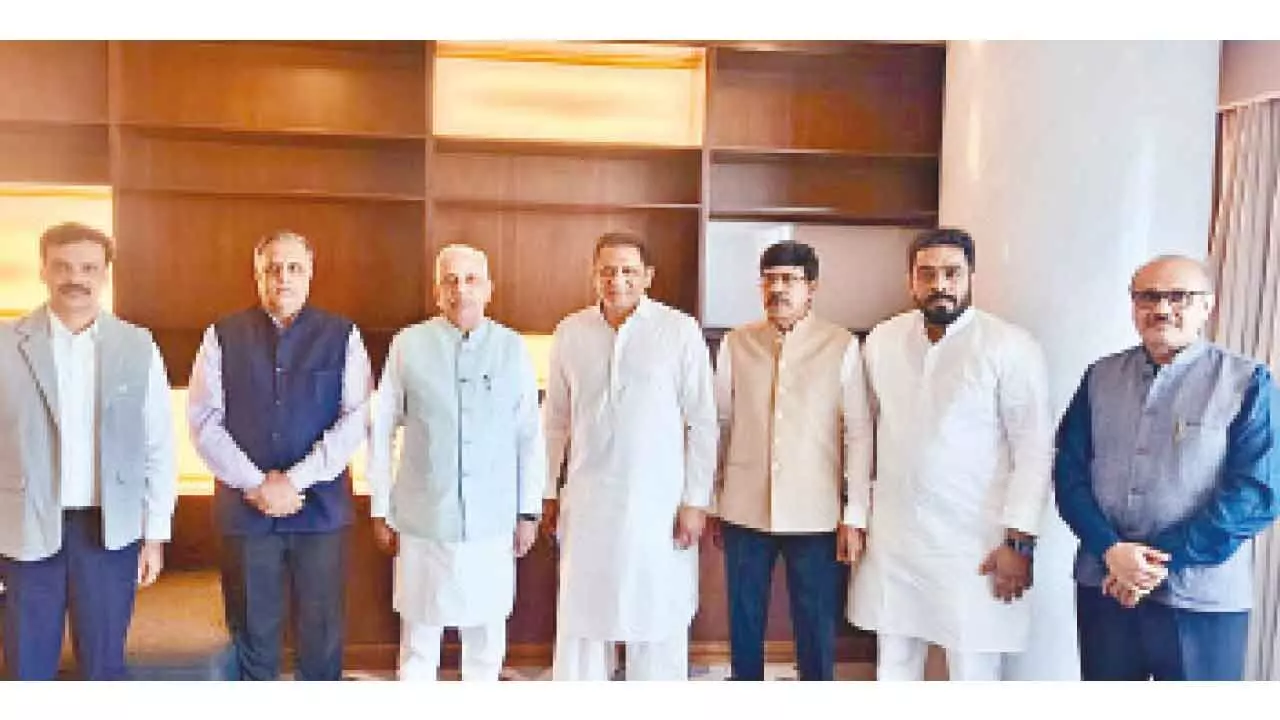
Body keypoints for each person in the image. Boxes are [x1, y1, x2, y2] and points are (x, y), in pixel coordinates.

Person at [1054, 254, 1280, 681]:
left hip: (1201, 597)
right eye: (1148, 297)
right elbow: (1069, 474)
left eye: (1179, 297)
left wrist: (1154, 562)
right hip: (1105, 585)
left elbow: (1256, 494)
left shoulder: (1247, 381)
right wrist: (1111, 550)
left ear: (1207, 306)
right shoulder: (1100, 376)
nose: (1161, 309)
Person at [848, 227, 1054, 681]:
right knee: (894, 663)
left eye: (951, 273)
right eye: (927, 273)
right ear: (910, 280)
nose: (939, 284)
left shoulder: (1009, 345)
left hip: (975, 542)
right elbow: (864, 431)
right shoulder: (882, 340)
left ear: (971, 275)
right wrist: (857, 516)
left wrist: (1019, 541)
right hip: (896, 536)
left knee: (972, 668)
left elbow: (1035, 450)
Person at [187, 230, 372, 680]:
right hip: (245, 513)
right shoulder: (221, 335)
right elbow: (203, 421)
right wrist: (257, 484)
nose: (283, 278)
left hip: (320, 512)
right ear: (258, 275)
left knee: (322, 640)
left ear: (310, 274)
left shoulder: (342, 335)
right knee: (253, 640)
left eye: (294, 268)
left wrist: (295, 481)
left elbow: (357, 418)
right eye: (272, 268)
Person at [0, 222, 177, 680]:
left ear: (105, 274)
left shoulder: (138, 346)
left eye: (88, 268)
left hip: (109, 531)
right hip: (24, 527)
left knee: (104, 668)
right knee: (25, 669)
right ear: (43, 270)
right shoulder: (5, 344)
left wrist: (155, 534)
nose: (75, 278)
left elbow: (158, 443)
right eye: (62, 266)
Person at [543, 231, 718, 681]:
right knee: (584, 615)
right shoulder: (570, 332)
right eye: (607, 271)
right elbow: (554, 421)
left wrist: (696, 501)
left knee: (656, 611)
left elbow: (702, 421)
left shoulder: (678, 331)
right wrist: (545, 491)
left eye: (628, 271)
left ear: (648, 277)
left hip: (656, 504)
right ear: (593, 275)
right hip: (588, 501)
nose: (617, 280)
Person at [367, 244, 545, 681]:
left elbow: (529, 436)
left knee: (486, 642)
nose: (460, 289)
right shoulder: (408, 345)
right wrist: (380, 507)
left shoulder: (511, 348)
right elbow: (381, 428)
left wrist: (528, 512)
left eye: (470, 279)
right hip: (424, 519)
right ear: (436, 291)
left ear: (488, 289)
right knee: (419, 641)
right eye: (450, 280)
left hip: (492, 521)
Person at [710, 241, 873, 681]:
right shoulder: (737, 343)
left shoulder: (840, 345)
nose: (777, 289)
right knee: (744, 621)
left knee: (815, 624)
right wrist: (713, 500)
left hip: (816, 511)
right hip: (744, 507)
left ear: (811, 287)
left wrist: (854, 514)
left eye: (789, 279)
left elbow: (858, 432)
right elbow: (720, 423)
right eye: (769, 279)